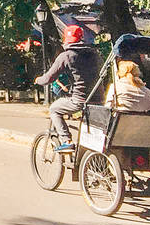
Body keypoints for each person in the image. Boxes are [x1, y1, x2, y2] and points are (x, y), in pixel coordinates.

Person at [35, 24, 101, 153]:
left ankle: (66, 141)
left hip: (80, 100)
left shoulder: (66, 56)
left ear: (66, 39)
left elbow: (49, 78)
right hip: (99, 98)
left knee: (54, 109)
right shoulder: (95, 54)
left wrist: (38, 80)